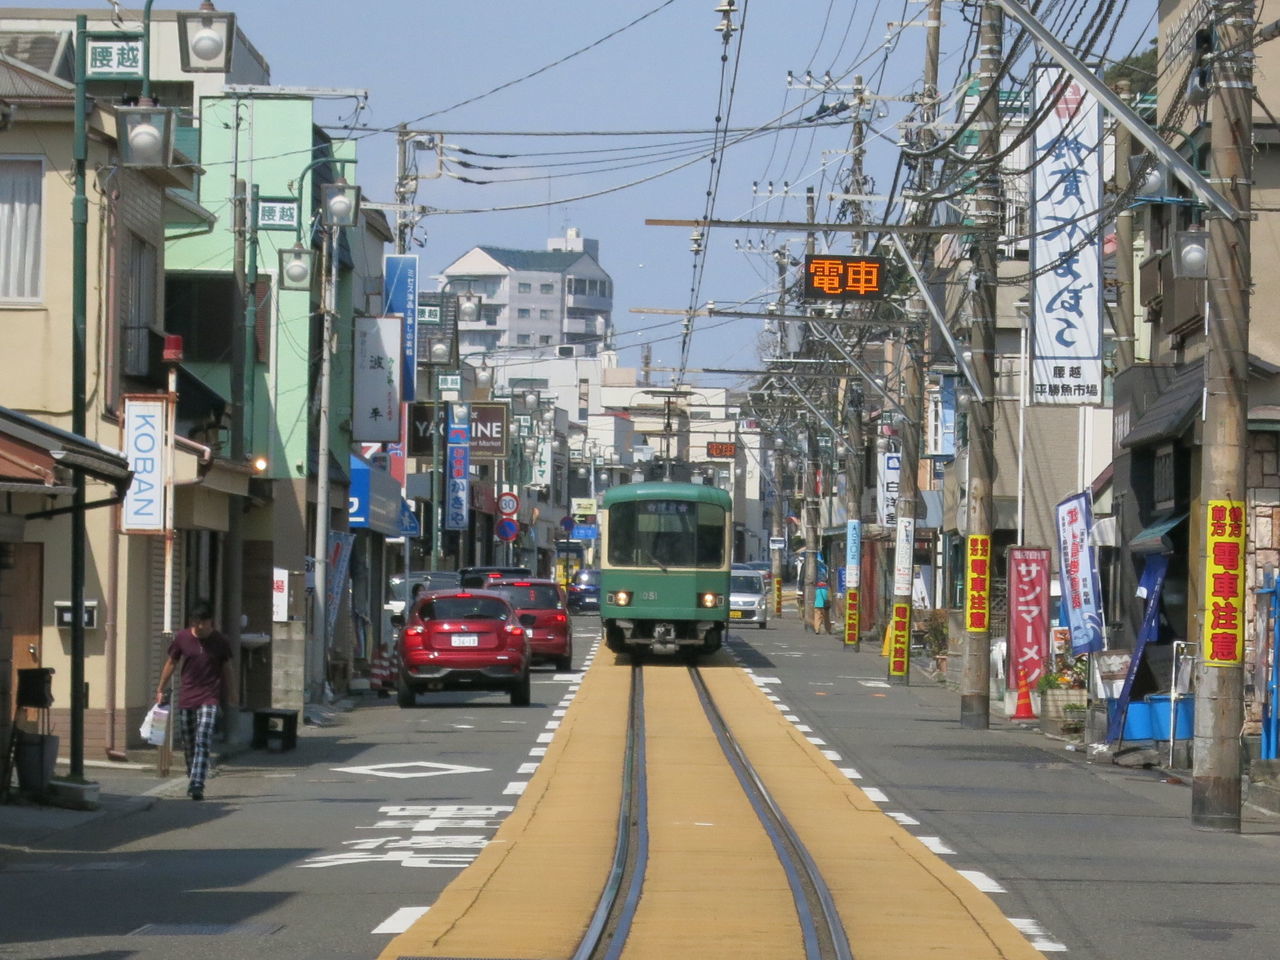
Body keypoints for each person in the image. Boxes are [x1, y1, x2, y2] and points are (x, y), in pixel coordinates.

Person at [156, 600, 233, 801]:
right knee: (189, 740)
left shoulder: (220, 642)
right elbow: (171, 662)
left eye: (203, 623)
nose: (199, 627)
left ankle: (197, 783)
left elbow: (227, 668)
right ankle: (193, 771)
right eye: (196, 623)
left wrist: (232, 692)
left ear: (211, 622)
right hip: (188, 697)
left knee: (203, 737)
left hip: (210, 696)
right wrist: (160, 688)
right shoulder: (182, 638)